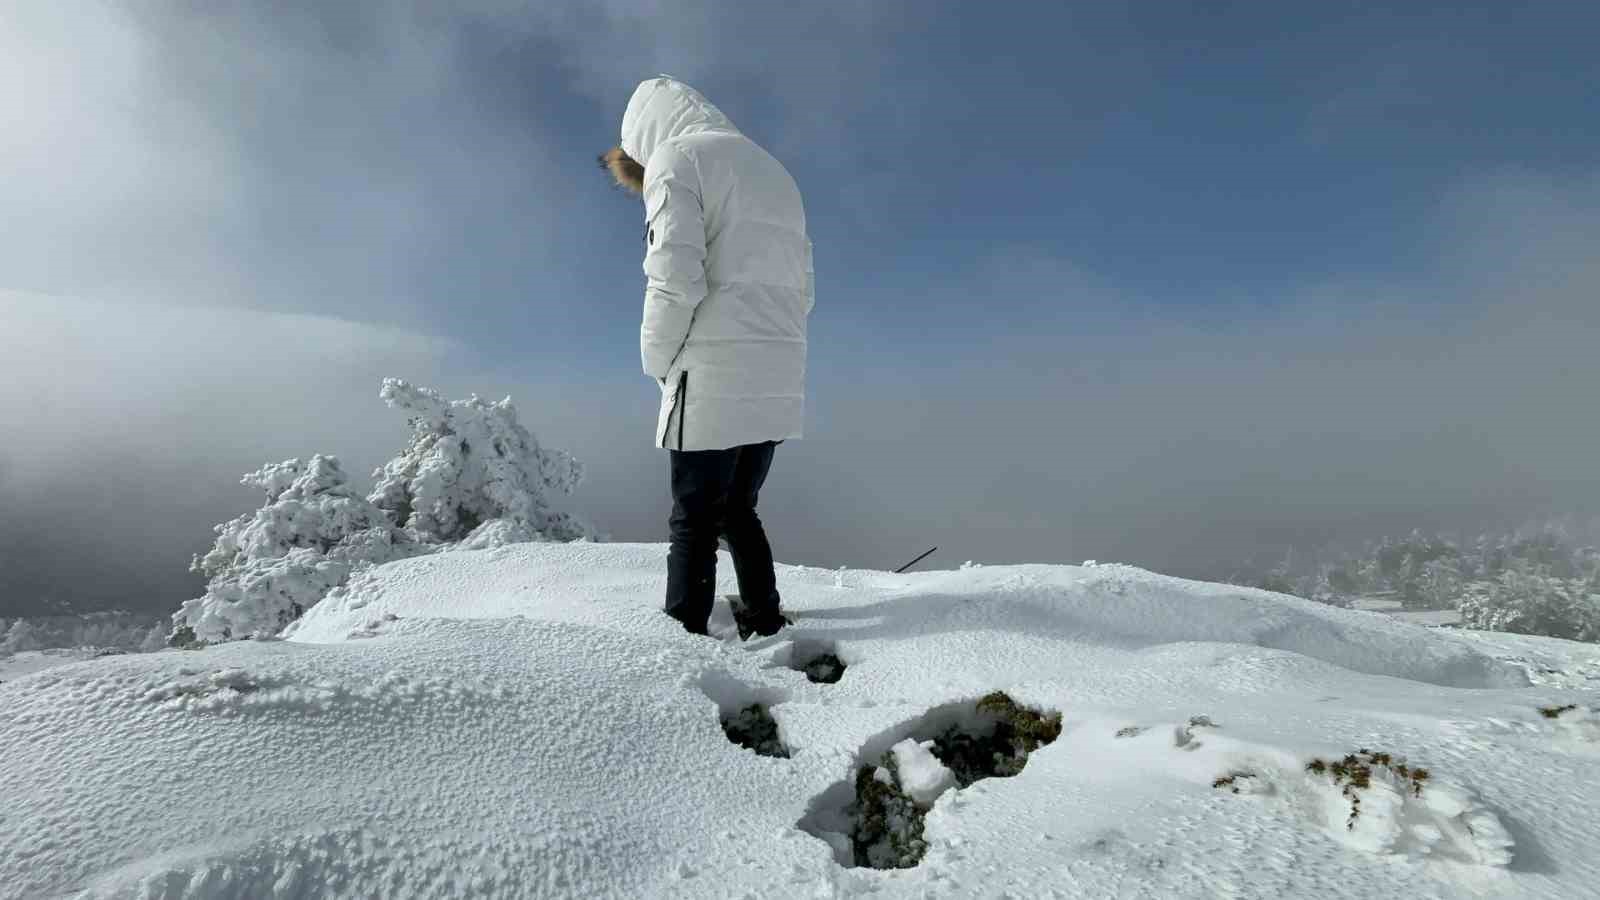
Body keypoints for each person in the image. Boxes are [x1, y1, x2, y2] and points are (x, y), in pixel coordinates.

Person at [599, 76, 813, 638]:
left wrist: (658, 361)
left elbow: (672, 277)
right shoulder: (776, 173)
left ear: (642, 134)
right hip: (779, 367)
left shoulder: (677, 159)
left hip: (710, 370)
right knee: (739, 507)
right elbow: (803, 288)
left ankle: (685, 635)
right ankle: (764, 616)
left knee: (693, 518)